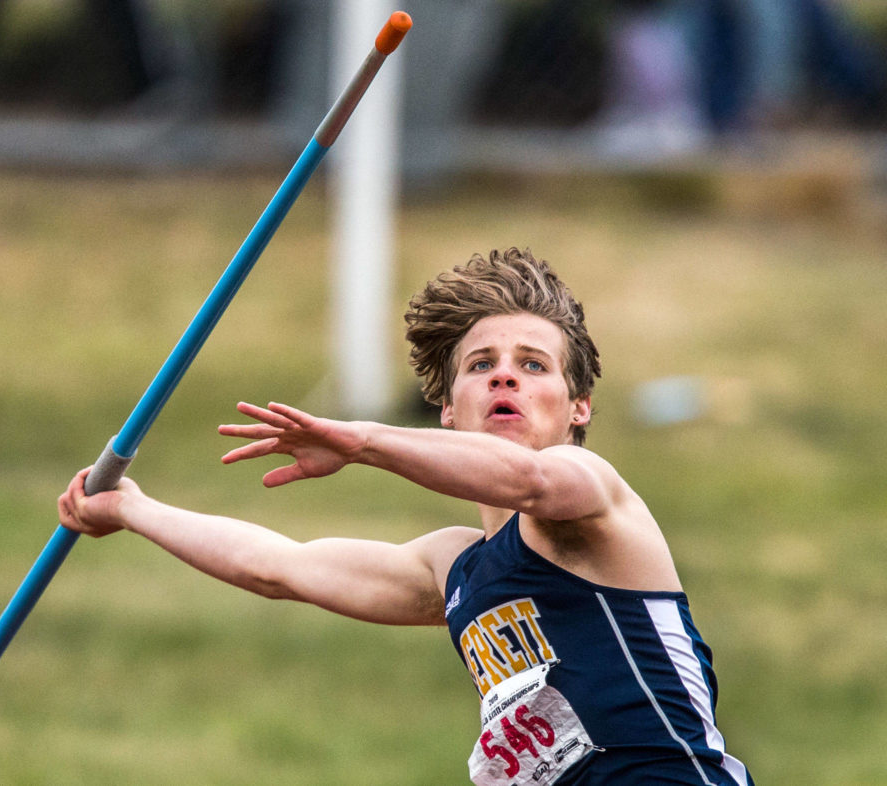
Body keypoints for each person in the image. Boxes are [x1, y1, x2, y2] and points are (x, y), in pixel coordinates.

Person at [59, 247, 754, 785]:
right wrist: (133, 509)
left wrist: (360, 442)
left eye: (534, 365)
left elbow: (530, 480)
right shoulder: (454, 568)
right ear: (447, 410)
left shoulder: (587, 492)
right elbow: (281, 568)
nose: (505, 375)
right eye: (481, 364)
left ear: (579, 408)